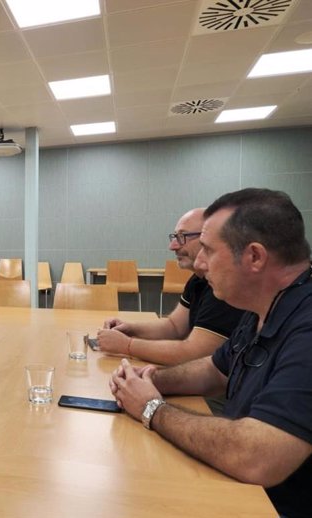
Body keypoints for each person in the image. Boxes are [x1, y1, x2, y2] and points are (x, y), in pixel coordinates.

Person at [110, 188, 312, 517]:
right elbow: (214, 370)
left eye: (207, 250)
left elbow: (258, 456)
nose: (200, 263)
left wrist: (152, 409)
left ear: (255, 257)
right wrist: (149, 379)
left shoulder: (306, 324)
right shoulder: (263, 307)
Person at [97, 208, 244, 365]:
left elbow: (194, 354)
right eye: (175, 237)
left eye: (182, 237)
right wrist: (130, 329)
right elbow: (174, 327)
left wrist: (127, 345)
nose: (172, 246)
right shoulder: (198, 280)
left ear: (207, 238)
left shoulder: (224, 286)